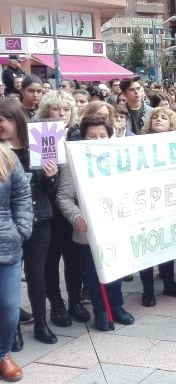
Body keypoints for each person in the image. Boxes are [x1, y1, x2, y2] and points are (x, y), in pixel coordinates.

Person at [56, 115, 135, 332]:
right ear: (83, 137)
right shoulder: (74, 161)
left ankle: (116, 306)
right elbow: (64, 196)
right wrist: (77, 217)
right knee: (94, 271)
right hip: (89, 228)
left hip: (116, 224)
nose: (97, 139)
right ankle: (101, 310)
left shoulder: (119, 158)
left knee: (117, 268)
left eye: (102, 135)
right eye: (92, 136)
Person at [0, 98, 59, 348]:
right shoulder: (1, 152)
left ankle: (40, 323)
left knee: (37, 276)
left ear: (15, 120)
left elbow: (49, 191)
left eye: (2, 120)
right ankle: (13, 330)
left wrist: (52, 176)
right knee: (10, 282)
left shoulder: (37, 144)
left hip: (40, 220)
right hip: (9, 228)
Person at [34, 91, 90, 328]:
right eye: (56, 109)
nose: (61, 114)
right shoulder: (38, 135)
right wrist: (49, 177)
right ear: (46, 111)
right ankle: (56, 302)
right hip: (48, 211)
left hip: (73, 208)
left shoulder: (78, 136)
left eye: (66, 109)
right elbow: (38, 182)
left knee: (75, 258)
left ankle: (75, 300)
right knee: (51, 259)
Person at [137, 107, 176, 306]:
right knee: (147, 246)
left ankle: (169, 283)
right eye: (155, 117)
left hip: (168, 201)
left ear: (171, 123)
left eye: (164, 117)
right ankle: (148, 290)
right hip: (146, 202)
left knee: (167, 244)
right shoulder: (138, 143)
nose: (159, 119)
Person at [0, 142, 32, 382]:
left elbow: (21, 194)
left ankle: (2, 353)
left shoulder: (6, 156)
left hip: (6, 244)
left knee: (10, 307)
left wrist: (20, 230)